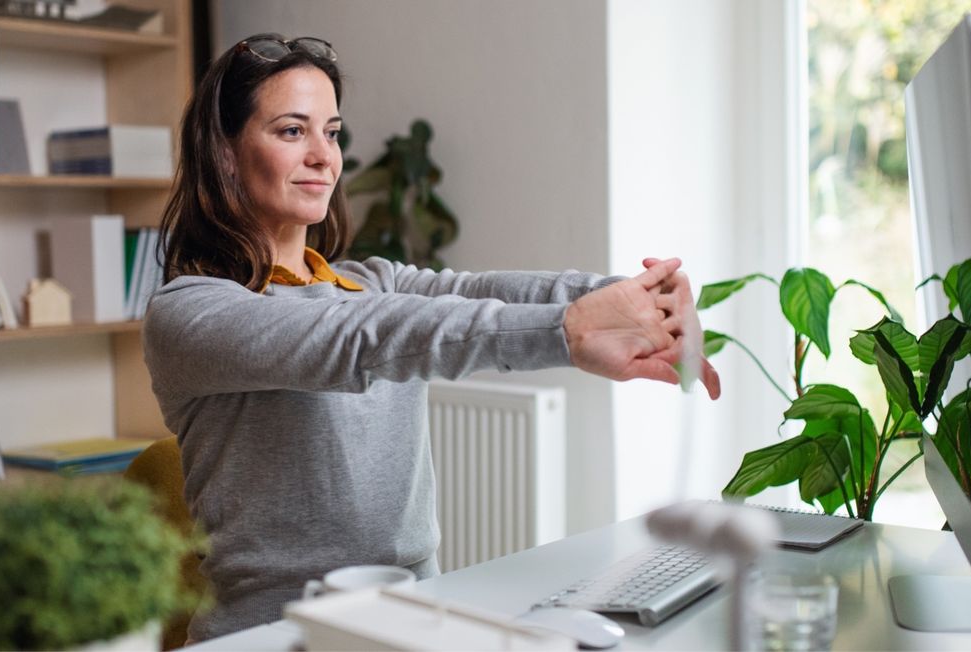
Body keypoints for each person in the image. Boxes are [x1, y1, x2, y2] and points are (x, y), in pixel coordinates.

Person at [142, 33, 720, 642]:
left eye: (332, 132)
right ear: (226, 154)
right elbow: (360, 339)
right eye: (292, 131)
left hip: (413, 617)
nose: (324, 157)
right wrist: (569, 331)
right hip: (271, 633)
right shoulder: (191, 313)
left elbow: (477, 292)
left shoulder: (371, 281)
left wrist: (635, 294)